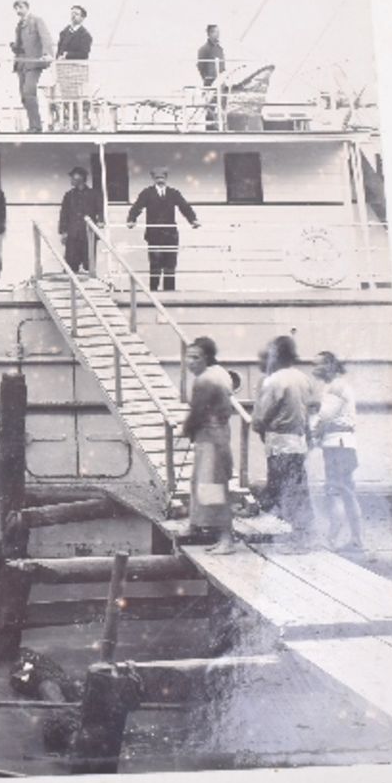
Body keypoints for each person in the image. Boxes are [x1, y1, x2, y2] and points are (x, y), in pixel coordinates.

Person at [254, 335, 321, 547]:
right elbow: (310, 410)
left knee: (280, 487)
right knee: (298, 488)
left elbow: (260, 418)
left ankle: (290, 535)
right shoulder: (303, 378)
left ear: (276, 355)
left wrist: (259, 427)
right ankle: (302, 533)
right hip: (298, 442)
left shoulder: (273, 381)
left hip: (279, 443)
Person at [182, 336, 239, 554]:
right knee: (209, 484)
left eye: (195, 357)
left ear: (207, 358)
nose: (190, 362)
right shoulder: (220, 373)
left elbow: (197, 412)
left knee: (214, 487)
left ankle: (226, 539)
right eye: (188, 357)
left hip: (210, 436)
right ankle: (215, 533)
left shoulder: (205, 379)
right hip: (219, 434)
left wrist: (186, 429)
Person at [311, 350, 364, 552]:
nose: (314, 369)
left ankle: (331, 540)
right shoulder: (339, 386)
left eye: (318, 364)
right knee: (348, 493)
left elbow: (325, 416)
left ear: (330, 366)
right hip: (345, 444)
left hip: (337, 445)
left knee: (335, 492)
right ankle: (357, 540)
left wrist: (313, 435)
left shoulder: (335, 387)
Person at [125, 167, 199, 292]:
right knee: (155, 264)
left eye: (162, 178)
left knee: (170, 264)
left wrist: (193, 220)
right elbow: (137, 207)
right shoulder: (147, 193)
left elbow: (184, 207)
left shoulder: (173, 193)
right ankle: (153, 291)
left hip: (170, 234)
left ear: (166, 178)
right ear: (153, 179)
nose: (160, 180)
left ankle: (169, 293)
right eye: (157, 178)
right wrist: (132, 219)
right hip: (154, 234)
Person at [10, 0, 54, 132]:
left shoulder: (36, 20)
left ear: (27, 7)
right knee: (23, 96)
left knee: (29, 92)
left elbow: (46, 37)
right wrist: (14, 47)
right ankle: (32, 124)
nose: (18, 10)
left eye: (21, 7)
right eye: (16, 8)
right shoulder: (19, 25)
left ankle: (36, 126)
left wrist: (47, 54)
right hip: (21, 63)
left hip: (33, 63)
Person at [56, 166, 102, 273]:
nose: (71, 180)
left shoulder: (94, 194)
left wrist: (101, 220)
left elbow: (100, 210)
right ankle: (71, 287)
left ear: (80, 178)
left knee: (89, 263)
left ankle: (89, 287)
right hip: (73, 234)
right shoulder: (69, 195)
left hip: (88, 233)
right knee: (71, 264)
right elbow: (64, 214)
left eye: (73, 178)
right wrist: (63, 231)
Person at [197, 24, 227, 131]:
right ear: (209, 33)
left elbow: (223, 66)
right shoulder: (204, 49)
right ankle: (210, 130)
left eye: (218, 32)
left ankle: (221, 127)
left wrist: (223, 78)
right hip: (210, 82)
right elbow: (201, 66)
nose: (217, 34)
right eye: (215, 32)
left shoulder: (219, 49)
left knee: (221, 106)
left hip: (221, 82)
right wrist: (208, 78)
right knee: (210, 107)